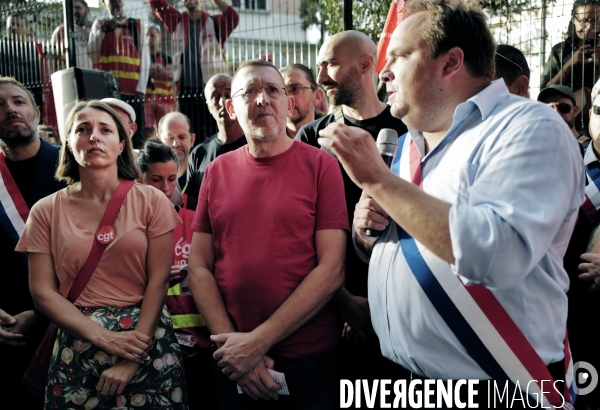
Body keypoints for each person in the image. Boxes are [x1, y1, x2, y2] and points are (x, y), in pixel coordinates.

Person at [318, 0, 583, 407]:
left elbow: (498, 253)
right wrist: (368, 237)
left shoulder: (530, 127)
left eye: (399, 57)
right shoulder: (408, 143)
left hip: (496, 385)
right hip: (395, 380)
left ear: (451, 62)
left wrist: (377, 179)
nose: (384, 72)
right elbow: (409, 244)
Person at [188, 59, 348, 409]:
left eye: (273, 90)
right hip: (231, 358)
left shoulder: (322, 165)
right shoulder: (214, 172)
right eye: (250, 92)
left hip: (308, 360)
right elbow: (198, 266)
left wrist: (256, 343)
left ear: (289, 104)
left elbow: (332, 268)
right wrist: (233, 347)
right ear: (231, 107)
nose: (262, 100)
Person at [15, 100, 187, 409]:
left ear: (122, 144)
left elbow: (159, 280)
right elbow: (41, 291)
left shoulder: (151, 201)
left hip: (145, 342)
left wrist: (133, 354)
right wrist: (102, 336)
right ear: (68, 142)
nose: (94, 136)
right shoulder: (45, 211)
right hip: (77, 343)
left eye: (105, 130)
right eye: (83, 129)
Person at [296, 30, 408, 393]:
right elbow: (300, 231)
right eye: (319, 66)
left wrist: (380, 304)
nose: (322, 76)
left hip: (400, 309)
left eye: (330, 63)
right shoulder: (312, 139)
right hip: (333, 307)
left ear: (364, 64)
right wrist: (342, 300)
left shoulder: (407, 129)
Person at [0, 76, 66, 408]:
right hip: (5, 330)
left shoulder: (74, 170)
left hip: (67, 326)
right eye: (0, 106)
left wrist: (42, 314)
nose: (10, 109)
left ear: (37, 113)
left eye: (18, 101)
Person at [137, 139, 217, 410]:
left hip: (204, 348)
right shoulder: (128, 229)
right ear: (140, 178)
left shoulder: (196, 221)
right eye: (156, 179)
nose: (166, 187)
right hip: (152, 347)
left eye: (172, 178)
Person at [149, 0, 240, 142]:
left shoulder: (214, 23)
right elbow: (156, 3)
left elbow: (233, 18)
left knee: (212, 131)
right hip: (186, 91)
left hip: (211, 90)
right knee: (190, 132)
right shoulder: (177, 21)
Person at [88, 0, 150, 149]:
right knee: (108, 127)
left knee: (134, 130)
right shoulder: (99, 24)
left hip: (131, 90)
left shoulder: (137, 25)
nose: (116, 3)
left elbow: (145, 58)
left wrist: (141, 88)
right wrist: (102, 31)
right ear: (105, 3)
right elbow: (92, 55)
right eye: (111, 1)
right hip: (106, 89)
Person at [186, 73, 246, 210]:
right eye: (216, 97)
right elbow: (193, 212)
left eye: (228, 94)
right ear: (208, 106)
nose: (223, 102)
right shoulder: (199, 154)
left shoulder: (258, 145)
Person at [541, 0, 600, 134]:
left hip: (595, 115)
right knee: (584, 92)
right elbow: (545, 88)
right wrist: (570, 64)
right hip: (564, 112)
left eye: (596, 20)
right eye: (584, 20)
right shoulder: (560, 50)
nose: (590, 26)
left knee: (589, 93)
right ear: (573, 20)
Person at [157, 112, 196, 206]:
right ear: (159, 140)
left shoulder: (201, 176)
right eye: (170, 138)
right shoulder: (150, 179)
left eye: (182, 137)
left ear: (192, 140)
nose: (176, 143)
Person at [145, 23, 176, 140]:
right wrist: (159, 69)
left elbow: (170, 75)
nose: (149, 38)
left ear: (160, 38)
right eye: (147, 35)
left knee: (165, 127)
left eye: (152, 35)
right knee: (148, 129)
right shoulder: (142, 57)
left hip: (165, 99)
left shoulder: (166, 57)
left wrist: (154, 69)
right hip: (147, 99)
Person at [280, 64, 324, 139]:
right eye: (280, 91)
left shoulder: (331, 139)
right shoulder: (268, 142)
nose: (287, 98)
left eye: (295, 89)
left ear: (317, 96)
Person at [50, 0, 94, 72]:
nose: (74, 11)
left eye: (78, 8)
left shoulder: (96, 30)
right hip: (69, 77)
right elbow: (52, 57)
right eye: (72, 8)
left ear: (87, 10)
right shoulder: (61, 31)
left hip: (93, 75)